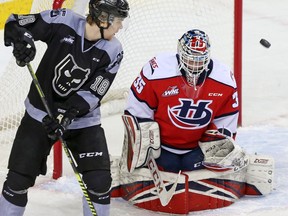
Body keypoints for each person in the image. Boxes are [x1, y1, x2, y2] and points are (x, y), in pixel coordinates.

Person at [0, 0, 129, 215]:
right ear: (103, 19)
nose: (121, 27)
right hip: (40, 115)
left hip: (82, 120)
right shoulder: (64, 20)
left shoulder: (114, 50)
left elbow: (94, 92)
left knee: (99, 182)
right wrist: (23, 42)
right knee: (17, 181)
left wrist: (64, 116)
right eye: (118, 20)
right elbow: (15, 22)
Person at [123, 29, 242, 173]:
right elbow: (138, 109)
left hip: (198, 148)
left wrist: (221, 148)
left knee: (194, 169)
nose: (194, 64)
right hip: (161, 147)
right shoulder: (157, 70)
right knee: (167, 165)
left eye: (199, 59)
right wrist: (144, 146)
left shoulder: (224, 79)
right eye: (190, 58)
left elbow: (227, 120)